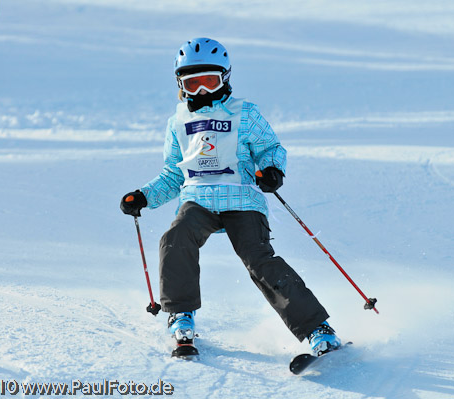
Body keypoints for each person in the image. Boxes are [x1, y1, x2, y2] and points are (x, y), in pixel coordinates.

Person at [120, 37, 340, 356]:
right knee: (175, 237)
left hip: (242, 199)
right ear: (180, 84)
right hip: (198, 201)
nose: (202, 91)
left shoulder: (245, 114)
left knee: (259, 259)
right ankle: (180, 314)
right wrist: (143, 196)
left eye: (209, 81)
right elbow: (173, 173)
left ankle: (318, 330)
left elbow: (270, 149)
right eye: (192, 84)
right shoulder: (178, 122)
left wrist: (271, 170)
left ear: (225, 77)